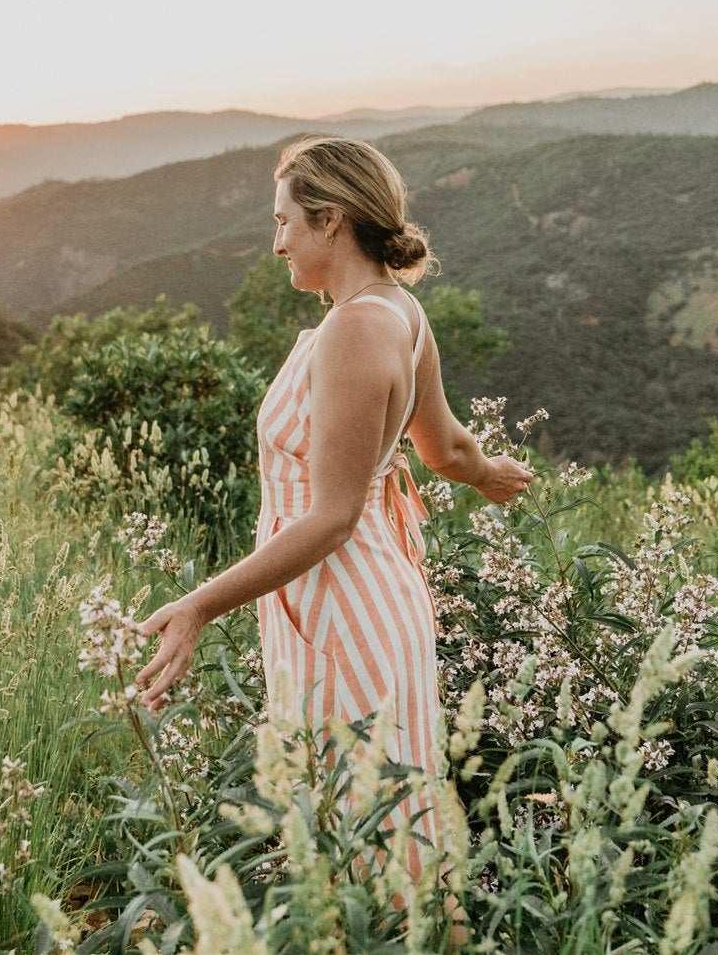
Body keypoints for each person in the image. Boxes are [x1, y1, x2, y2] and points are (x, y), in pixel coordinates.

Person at [133, 135, 535, 904]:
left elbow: (332, 517)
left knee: (362, 829)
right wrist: (486, 474)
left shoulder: (354, 329)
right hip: (359, 593)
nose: (276, 240)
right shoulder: (397, 309)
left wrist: (199, 605)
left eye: (284, 221)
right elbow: (444, 444)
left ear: (332, 221)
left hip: (341, 602)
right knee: (385, 814)